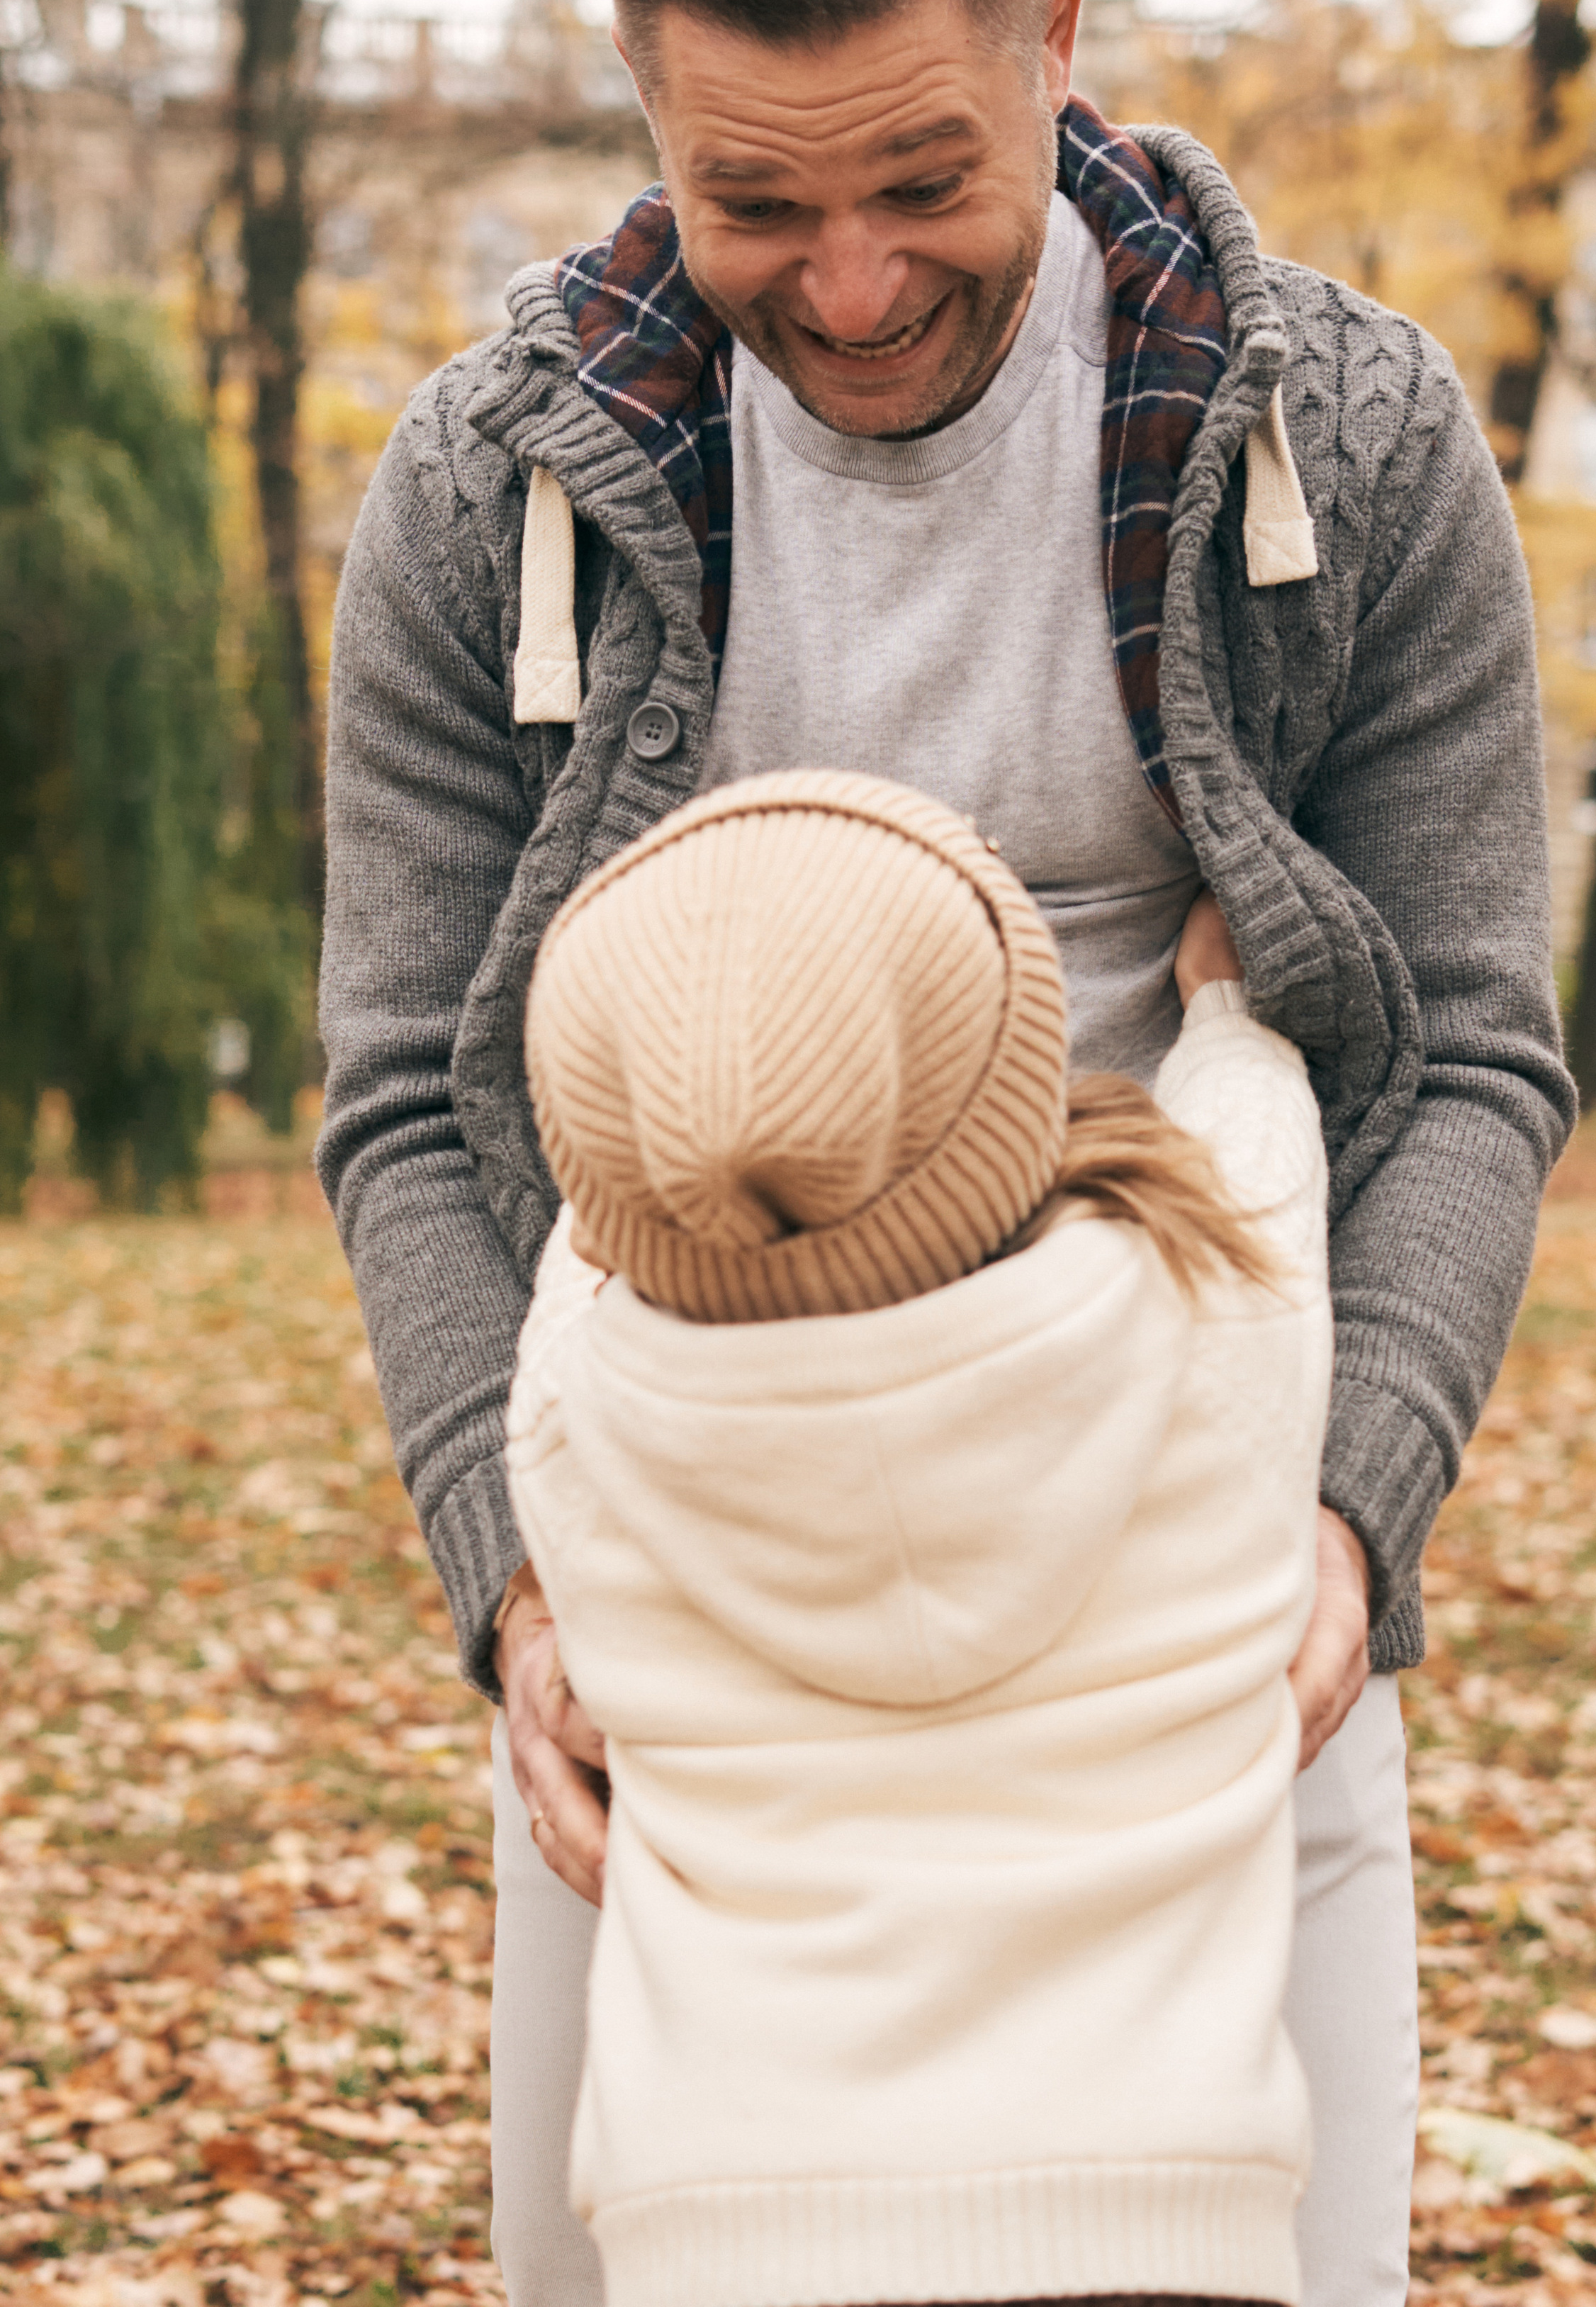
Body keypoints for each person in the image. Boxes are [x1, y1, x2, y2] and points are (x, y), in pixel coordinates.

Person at [316, 0, 1576, 2307]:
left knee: (1263, 2263)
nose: (857, 281)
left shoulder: (1344, 439)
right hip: (694, 1578)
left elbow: (1465, 1042)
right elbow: (402, 1103)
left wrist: (1353, 1507)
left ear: (1054, 39)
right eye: (753, 200)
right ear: (647, 114)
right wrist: (519, 1581)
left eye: (925, 182)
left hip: (1202, 1551)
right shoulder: (490, 496)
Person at [505, 767, 1331, 2307]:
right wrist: (1217, 1016)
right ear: (1013, 1096)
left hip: (728, 2238)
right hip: (1158, 2224)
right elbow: (1258, 1148)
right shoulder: (1218, 1328)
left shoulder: (581, 1432)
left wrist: (684, 1060)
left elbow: (587, 1239)